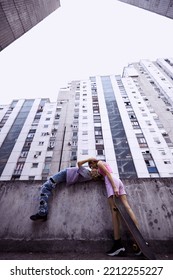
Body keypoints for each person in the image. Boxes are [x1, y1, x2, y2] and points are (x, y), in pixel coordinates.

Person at [86, 158, 140, 256]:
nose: (91, 168)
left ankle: (118, 244)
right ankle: (139, 237)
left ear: (93, 162)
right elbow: (105, 173)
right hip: (118, 181)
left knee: (114, 213)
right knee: (127, 207)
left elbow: (107, 173)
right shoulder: (102, 165)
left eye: (91, 165)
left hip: (112, 183)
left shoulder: (99, 162)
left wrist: (114, 187)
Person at [30, 158, 102, 221]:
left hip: (65, 174)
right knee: (45, 187)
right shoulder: (88, 174)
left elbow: (79, 163)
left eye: (92, 166)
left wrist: (89, 159)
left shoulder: (88, 174)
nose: (91, 167)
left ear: (96, 169)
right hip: (66, 174)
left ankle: (42, 212)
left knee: (46, 187)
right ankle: (43, 211)